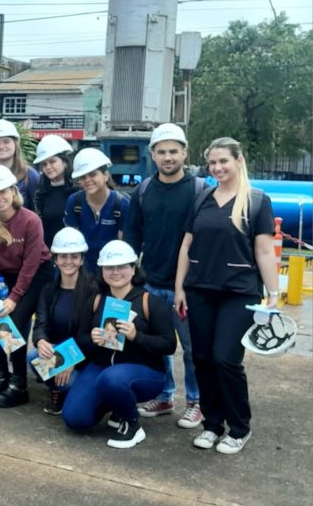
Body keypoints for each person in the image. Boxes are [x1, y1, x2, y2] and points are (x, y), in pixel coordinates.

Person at [175, 137, 277, 455]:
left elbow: (263, 250)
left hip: (239, 292)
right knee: (202, 358)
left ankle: (238, 427)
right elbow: (186, 246)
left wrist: (274, 294)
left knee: (225, 359)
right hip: (200, 290)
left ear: (238, 161)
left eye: (224, 161)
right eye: (213, 163)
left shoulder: (257, 201)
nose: (218, 168)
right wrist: (179, 287)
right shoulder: (203, 198)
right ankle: (212, 424)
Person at [124, 123, 205, 429]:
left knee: (192, 349)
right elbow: (131, 236)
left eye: (174, 151)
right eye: (162, 152)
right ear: (152, 155)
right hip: (152, 284)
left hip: (187, 287)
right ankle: (165, 395)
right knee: (156, 345)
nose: (168, 157)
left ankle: (196, 401)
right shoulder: (142, 191)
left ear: (185, 153)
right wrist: (130, 279)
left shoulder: (199, 191)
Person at [62, 240, 176, 449]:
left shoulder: (150, 301)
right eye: (109, 267)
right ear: (102, 271)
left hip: (145, 372)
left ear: (133, 269)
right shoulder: (96, 300)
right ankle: (116, 406)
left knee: (112, 378)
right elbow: (82, 339)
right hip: (102, 367)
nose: (115, 272)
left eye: (122, 266)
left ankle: (132, 425)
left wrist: (136, 336)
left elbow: (169, 345)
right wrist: (94, 340)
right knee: (75, 419)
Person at [0, 164, 53, 408]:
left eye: (3, 192)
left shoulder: (31, 221)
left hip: (36, 274)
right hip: (5, 274)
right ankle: (2, 375)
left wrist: (14, 298)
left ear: (13, 190)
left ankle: (19, 383)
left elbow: (31, 265)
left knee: (15, 323)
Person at [28, 227, 96, 415]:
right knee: (33, 357)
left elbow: (95, 336)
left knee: (77, 399)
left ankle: (75, 389)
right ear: (55, 260)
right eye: (63, 256)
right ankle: (56, 389)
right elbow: (40, 325)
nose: (68, 261)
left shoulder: (94, 290)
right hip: (59, 354)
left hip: (85, 357)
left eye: (74, 256)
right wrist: (41, 340)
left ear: (82, 259)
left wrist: (71, 359)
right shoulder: (48, 290)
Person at [64, 148, 129, 275]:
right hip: (83, 272)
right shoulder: (74, 202)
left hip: (112, 271)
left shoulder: (121, 204)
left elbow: (124, 245)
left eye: (93, 174)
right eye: (83, 177)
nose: (87, 180)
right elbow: (72, 244)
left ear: (106, 176)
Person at [0, 119, 39, 211]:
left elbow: (38, 210)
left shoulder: (30, 176)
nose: (1, 146)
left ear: (15, 144)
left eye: (6, 141)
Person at [33, 135, 75, 247]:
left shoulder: (78, 190)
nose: (48, 167)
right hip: (50, 252)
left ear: (65, 162)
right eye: (44, 164)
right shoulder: (40, 193)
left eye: (53, 161)